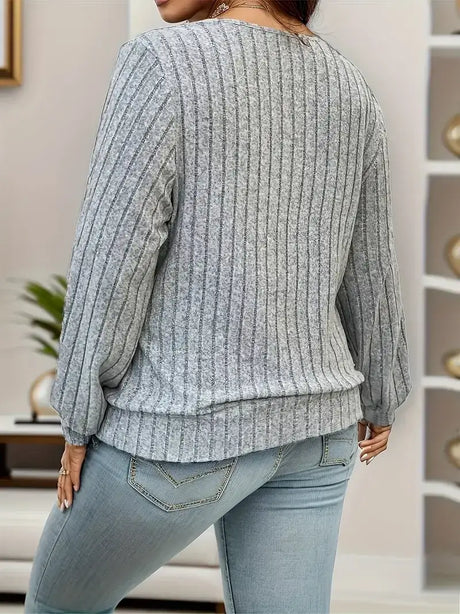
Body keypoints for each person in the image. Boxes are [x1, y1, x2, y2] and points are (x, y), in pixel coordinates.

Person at [24, 1, 413, 612]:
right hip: (317, 434)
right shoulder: (349, 84)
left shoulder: (161, 62)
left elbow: (113, 258)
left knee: (58, 608)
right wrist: (383, 393)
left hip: (183, 430)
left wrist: (77, 415)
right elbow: (370, 265)